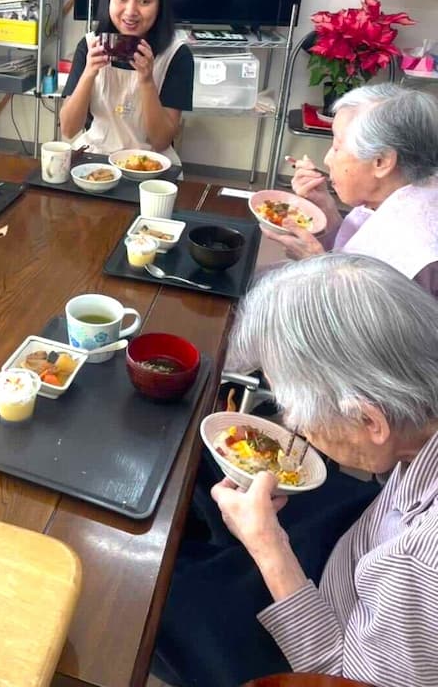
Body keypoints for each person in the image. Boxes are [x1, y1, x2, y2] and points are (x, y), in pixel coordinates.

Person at [155, 254, 438, 687]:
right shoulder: (413, 428)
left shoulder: (416, 566)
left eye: (295, 408)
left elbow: (337, 676)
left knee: (159, 591)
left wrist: (268, 545)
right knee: (206, 462)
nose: (291, 423)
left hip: (324, 644)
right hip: (356, 545)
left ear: (370, 421)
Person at [266, 83, 438, 295]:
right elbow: (355, 248)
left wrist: (316, 265)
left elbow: (363, 319)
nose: (327, 159)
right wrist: (327, 209)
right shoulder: (401, 192)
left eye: (337, 147)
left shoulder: (416, 252)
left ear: (381, 162)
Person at [60, 0, 194, 164]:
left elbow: (161, 141)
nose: (130, 11)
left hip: (150, 163)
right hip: (96, 156)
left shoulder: (176, 55)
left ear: (160, 5)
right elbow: (68, 129)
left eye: (144, 1)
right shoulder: (89, 46)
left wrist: (147, 81)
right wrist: (89, 73)